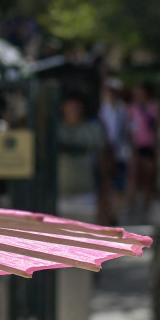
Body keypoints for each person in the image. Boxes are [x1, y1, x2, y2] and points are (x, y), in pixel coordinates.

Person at [55, 94, 107, 224]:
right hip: (61, 195)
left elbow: (103, 161)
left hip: (86, 195)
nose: (74, 110)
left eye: (77, 106)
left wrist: (105, 194)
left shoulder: (91, 129)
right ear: (63, 108)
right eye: (70, 106)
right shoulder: (56, 129)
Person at [97, 81, 130, 226]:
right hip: (104, 152)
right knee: (105, 185)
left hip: (119, 153)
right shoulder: (101, 108)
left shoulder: (123, 109)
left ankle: (113, 215)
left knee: (118, 187)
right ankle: (105, 216)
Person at [125, 86, 160, 222]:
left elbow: (157, 126)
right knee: (134, 176)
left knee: (148, 177)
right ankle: (131, 206)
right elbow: (130, 128)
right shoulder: (132, 109)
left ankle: (146, 206)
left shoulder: (154, 107)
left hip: (150, 146)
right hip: (136, 146)